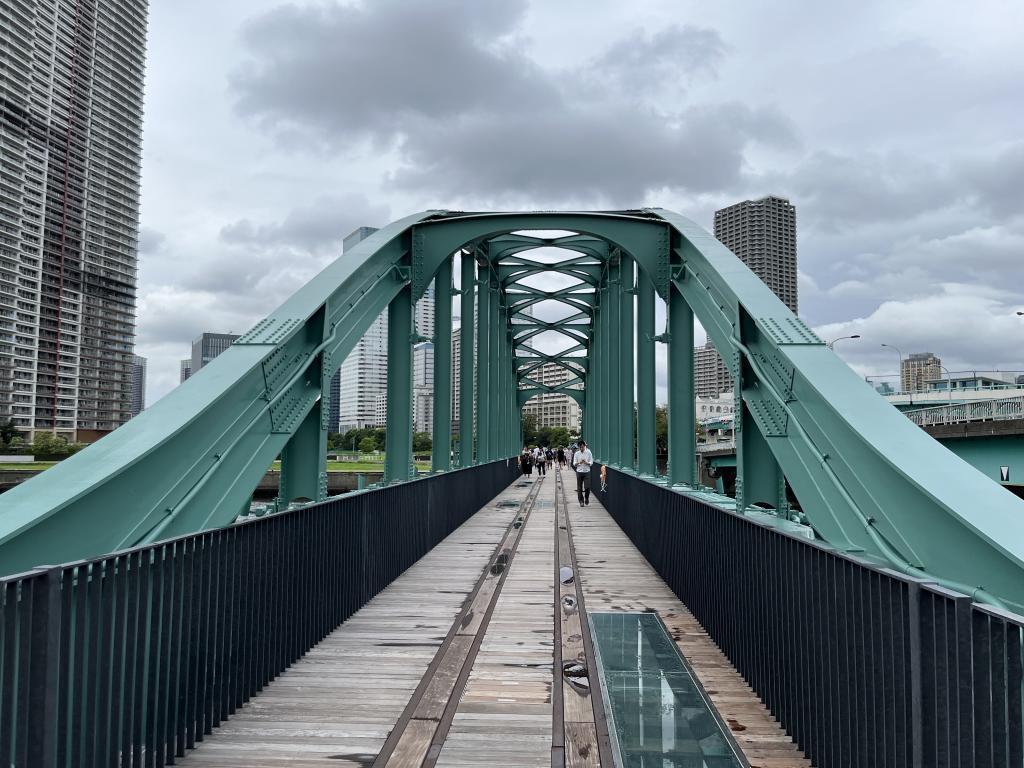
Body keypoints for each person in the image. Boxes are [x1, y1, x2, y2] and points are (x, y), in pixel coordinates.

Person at [572, 439, 593, 505]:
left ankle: (586, 498)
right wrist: (579, 462)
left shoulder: (589, 452)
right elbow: (574, 463)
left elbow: (591, 462)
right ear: (578, 447)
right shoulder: (576, 453)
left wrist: (587, 462)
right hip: (579, 471)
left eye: (582, 447)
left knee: (587, 487)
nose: (581, 448)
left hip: (587, 471)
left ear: (584, 446)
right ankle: (581, 501)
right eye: (580, 447)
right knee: (579, 487)